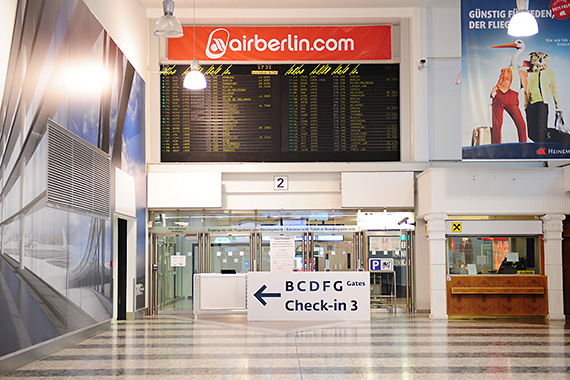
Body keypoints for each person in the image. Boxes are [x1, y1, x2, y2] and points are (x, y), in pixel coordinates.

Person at [525, 51, 563, 142]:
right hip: (530, 105)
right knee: (531, 134)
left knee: (541, 132)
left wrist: (559, 108)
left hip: (542, 103)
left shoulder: (549, 72)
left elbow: (555, 90)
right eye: (537, 57)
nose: (540, 59)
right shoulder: (529, 73)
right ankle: (550, 140)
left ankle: (546, 148)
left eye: (544, 57)